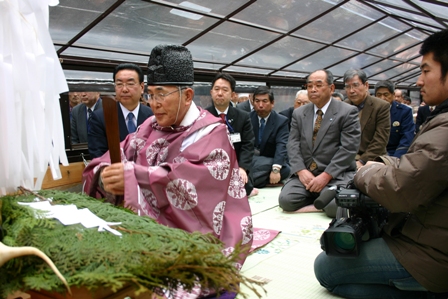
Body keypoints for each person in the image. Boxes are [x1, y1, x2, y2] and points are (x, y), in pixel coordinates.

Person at [83, 45, 253, 294]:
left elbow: (191, 181)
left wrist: (131, 177)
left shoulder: (212, 132)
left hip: (201, 240)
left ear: (187, 95)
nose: (154, 104)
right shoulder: (148, 126)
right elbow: (111, 157)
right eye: (150, 94)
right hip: (147, 235)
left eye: (161, 94)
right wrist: (106, 174)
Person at [314, 29, 448, 299]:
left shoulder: (437, 124)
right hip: (424, 229)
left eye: (425, 71)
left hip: (430, 253)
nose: (419, 81)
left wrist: (366, 169)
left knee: (326, 270)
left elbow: (400, 182)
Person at [278, 70, 360, 218]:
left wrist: (326, 176)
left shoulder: (347, 112)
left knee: (334, 207)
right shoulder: (299, 113)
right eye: (309, 86)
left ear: (332, 88)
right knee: (286, 201)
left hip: (335, 175)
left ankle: (323, 194)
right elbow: (293, 143)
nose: (313, 89)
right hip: (307, 174)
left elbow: (348, 149)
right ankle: (318, 195)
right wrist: (301, 170)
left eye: (318, 85)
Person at [205, 72, 258, 198]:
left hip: (236, 165)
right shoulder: (203, 116)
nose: (220, 93)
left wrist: (242, 168)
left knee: (242, 188)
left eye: (224, 90)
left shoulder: (243, 116)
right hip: (210, 167)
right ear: (211, 92)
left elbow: (248, 144)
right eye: (216, 89)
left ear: (232, 94)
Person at [88, 63, 153, 159]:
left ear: (142, 87)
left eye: (130, 84)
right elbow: (98, 155)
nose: (124, 89)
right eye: (119, 84)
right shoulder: (100, 117)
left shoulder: (152, 116)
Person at [344, 69, 390, 169]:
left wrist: (362, 161)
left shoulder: (381, 106)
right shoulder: (342, 106)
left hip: (373, 158)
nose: (351, 90)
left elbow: (380, 139)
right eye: (348, 86)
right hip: (347, 158)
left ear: (366, 86)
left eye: (356, 85)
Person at [250, 86, 290, 188]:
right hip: (251, 160)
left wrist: (275, 169)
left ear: (272, 103)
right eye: (257, 101)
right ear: (252, 102)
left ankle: (250, 182)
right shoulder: (247, 118)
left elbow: (282, 146)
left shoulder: (281, 121)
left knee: (285, 169)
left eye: (264, 101)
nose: (260, 105)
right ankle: (259, 181)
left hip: (269, 160)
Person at [374, 80, 414, 158]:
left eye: (386, 94)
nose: (382, 98)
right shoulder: (371, 110)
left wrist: (395, 159)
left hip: (394, 153)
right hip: (374, 154)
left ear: (393, 95)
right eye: (379, 95)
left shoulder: (404, 111)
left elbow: (406, 138)